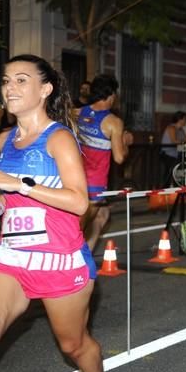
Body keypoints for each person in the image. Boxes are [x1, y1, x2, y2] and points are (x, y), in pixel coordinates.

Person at [0, 55, 117, 372]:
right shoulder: (7, 140)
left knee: (73, 345)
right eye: (6, 81)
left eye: (21, 80)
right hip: (11, 256)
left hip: (60, 258)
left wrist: (19, 186)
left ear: (45, 89)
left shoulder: (59, 137)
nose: (10, 88)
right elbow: (12, 195)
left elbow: (80, 202)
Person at [77, 74, 134, 252]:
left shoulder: (76, 112)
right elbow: (119, 157)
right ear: (110, 95)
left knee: (103, 214)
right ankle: (73, 261)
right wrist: (125, 144)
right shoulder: (114, 122)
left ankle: (86, 258)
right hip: (95, 182)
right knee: (78, 229)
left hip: (74, 176)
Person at [159, 111, 186, 186]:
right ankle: (165, 187)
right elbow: (174, 141)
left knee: (180, 169)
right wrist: (185, 142)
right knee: (171, 171)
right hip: (168, 154)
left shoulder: (181, 129)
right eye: (185, 119)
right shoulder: (171, 128)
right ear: (180, 119)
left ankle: (177, 186)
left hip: (177, 154)